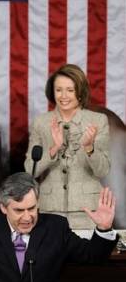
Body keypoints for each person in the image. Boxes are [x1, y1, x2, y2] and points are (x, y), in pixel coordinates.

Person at [24, 64, 110, 229]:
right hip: (50, 209)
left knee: (87, 254)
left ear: (80, 92)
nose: (63, 96)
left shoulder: (98, 121)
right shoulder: (41, 123)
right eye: (59, 90)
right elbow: (30, 171)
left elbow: (103, 170)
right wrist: (54, 148)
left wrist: (89, 147)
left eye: (70, 90)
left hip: (88, 211)